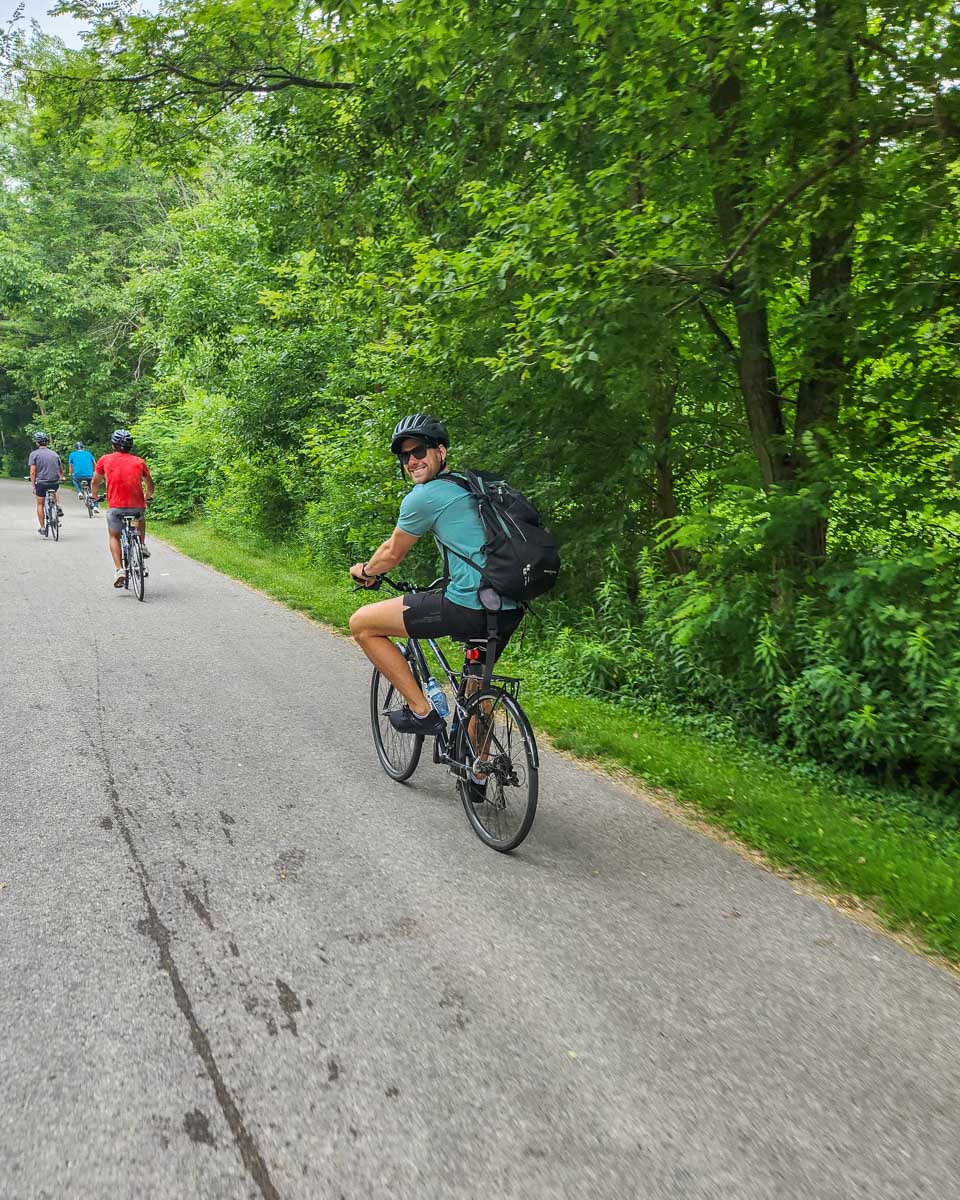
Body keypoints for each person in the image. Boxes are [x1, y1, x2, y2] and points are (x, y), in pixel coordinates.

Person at [349, 414, 523, 737]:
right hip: (509, 606)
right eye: (405, 456)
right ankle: (479, 775)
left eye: (420, 451)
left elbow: (392, 552)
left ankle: (421, 710)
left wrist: (366, 572)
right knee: (476, 682)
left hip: (469, 606)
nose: (412, 460)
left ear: (440, 451)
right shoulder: (469, 486)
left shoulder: (424, 497)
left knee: (361, 623)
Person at [90, 430, 155, 588]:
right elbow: (150, 484)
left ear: (113, 445)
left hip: (116, 508)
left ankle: (120, 570)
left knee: (114, 536)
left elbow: (95, 482)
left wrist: (93, 496)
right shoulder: (139, 462)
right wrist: (148, 495)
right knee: (139, 518)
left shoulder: (105, 460)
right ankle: (141, 544)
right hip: (136, 508)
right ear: (130, 446)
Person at [28, 432, 64, 537]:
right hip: (54, 482)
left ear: (37, 443)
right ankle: (57, 506)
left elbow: (33, 472)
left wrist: (33, 485)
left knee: (40, 504)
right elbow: (60, 469)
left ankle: (43, 528)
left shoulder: (34, 454)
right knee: (55, 491)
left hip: (41, 483)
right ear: (47, 442)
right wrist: (61, 477)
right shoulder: (55, 454)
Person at [67, 441, 99, 509]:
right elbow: (94, 463)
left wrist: (70, 473)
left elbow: (70, 466)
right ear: (83, 447)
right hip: (89, 475)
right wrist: (95, 471)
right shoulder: (88, 453)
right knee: (93, 489)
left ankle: (79, 492)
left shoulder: (72, 454)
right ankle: (96, 506)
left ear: (75, 448)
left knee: (74, 479)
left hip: (78, 475)